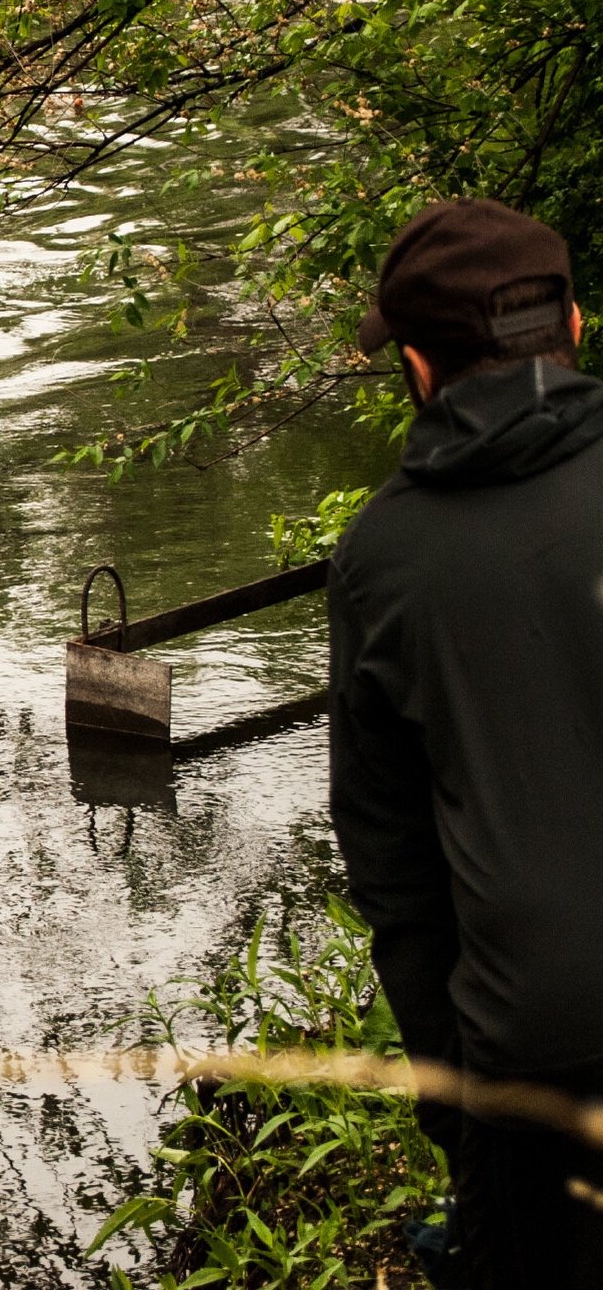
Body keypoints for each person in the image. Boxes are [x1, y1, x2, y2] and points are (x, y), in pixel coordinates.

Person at [329, 198, 603, 1289]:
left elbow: (392, 869)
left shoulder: (382, 557)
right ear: (573, 327)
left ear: (416, 369)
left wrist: (458, 1110)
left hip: (535, 1047)